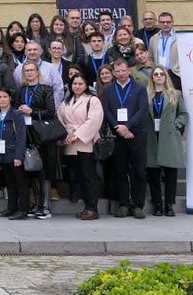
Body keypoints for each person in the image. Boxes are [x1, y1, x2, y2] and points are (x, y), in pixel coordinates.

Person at [103, 58, 149, 219]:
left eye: (123, 70)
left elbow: (142, 109)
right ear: (113, 73)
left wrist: (127, 126)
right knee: (120, 170)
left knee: (139, 171)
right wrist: (119, 127)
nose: (121, 74)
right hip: (118, 135)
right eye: (117, 71)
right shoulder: (109, 89)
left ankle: (138, 205)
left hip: (136, 133)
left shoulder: (139, 88)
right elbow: (107, 111)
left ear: (129, 71)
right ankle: (124, 204)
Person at [13, 61, 57, 219]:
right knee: (30, 168)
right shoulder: (21, 90)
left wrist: (32, 112)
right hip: (26, 133)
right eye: (26, 71)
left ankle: (44, 206)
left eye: (32, 70)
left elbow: (51, 111)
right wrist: (19, 110)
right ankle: (33, 203)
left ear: (38, 72)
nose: (29, 73)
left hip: (42, 134)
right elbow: (15, 108)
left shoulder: (46, 89)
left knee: (43, 170)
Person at [59, 72, 103, 220]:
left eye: (80, 84)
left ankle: (92, 208)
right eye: (74, 84)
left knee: (89, 176)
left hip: (86, 142)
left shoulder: (92, 100)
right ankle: (86, 206)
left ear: (86, 85)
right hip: (69, 142)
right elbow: (60, 118)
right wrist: (65, 136)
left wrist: (77, 135)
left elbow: (93, 121)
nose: (77, 86)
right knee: (79, 176)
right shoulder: (67, 101)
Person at [145, 66, 187, 217]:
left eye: (161, 74)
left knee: (171, 173)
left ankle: (169, 205)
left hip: (169, 136)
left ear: (165, 76)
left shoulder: (175, 94)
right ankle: (157, 204)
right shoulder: (146, 95)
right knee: (153, 174)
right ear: (152, 77)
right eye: (156, 74)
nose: (159, 76)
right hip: (152, 136)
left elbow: (184, 114)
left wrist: (177, 125)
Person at [0, 88, 28, 220]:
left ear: (10, 98)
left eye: (5, 97)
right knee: (9, 183)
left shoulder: (16, 115)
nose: (2, 99)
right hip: (3, 153)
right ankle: (11, 208)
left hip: (14, 152)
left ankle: (23, 209)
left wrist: (19, 156)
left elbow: (21, 136)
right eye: (0, 97)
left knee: (20, 183)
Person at [148, 12, 180, 82]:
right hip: (159, 74)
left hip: (175, 74)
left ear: (172, 22)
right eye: (162, 22)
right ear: (158, 23)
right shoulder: (153, 39)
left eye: (168, 22)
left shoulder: (179, 37)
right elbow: (150, 57)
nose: (165, 24)